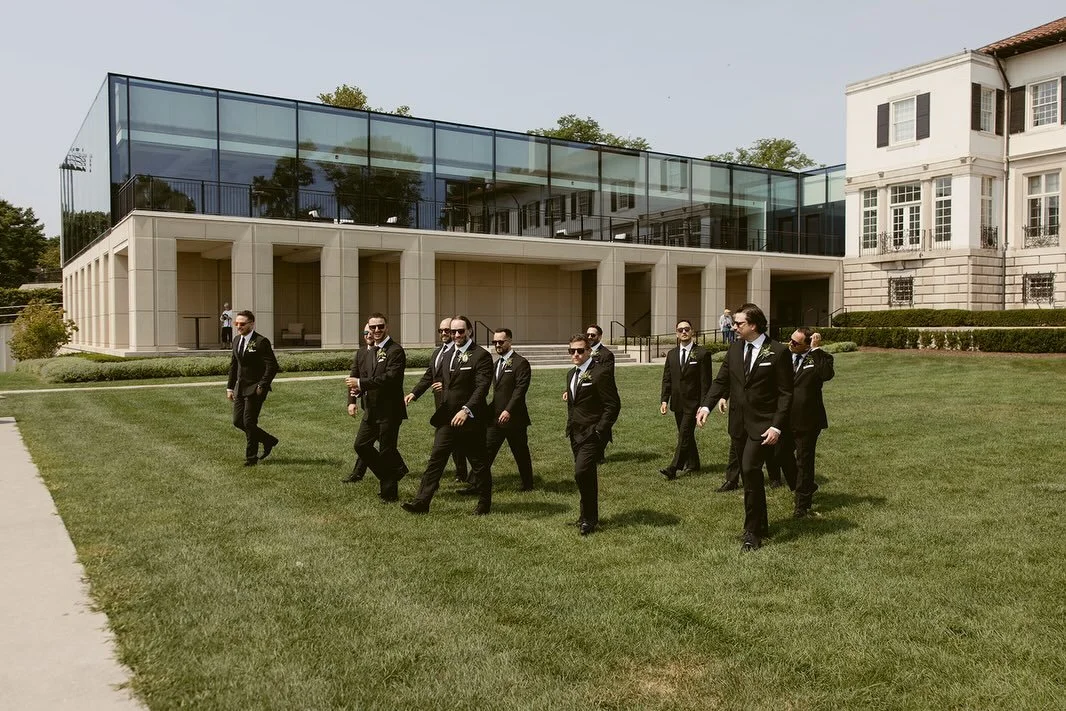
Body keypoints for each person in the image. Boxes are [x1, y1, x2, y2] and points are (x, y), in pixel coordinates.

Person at [697, 303, 792, 551]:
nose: (734, 327)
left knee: (750, 469)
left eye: (739, 323)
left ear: (754, 325)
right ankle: (762, 523)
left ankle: (752, 532)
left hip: (763, 424)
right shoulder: (735, 349)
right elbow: (721, 381)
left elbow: (785, 394)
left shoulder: (778, 352)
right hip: (738, 424)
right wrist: (706, 406)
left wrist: (777, 426)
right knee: (750, 475)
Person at [402, 316, 493, 515]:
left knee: (479, 463)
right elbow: (434, 376)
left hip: (470, 420)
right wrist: (415, 393)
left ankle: (484, 504)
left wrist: (466, 410)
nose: (456, 335)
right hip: (446, 419)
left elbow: (481, 388)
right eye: (453, 332)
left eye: (461, 331)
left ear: (469, 331)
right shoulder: (447, 353)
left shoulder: (481, 356)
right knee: (435, 459)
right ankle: (421, 502)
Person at [345, 313, 409, 502]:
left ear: (386, 327)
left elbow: (390, 379)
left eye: (380, 326)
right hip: (371, 410)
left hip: (390, 410)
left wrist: (361, 383)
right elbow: (360, 378)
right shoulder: (368, 351)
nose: (376, 331)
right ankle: (394, 473)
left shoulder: (395, 350)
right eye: (373, 328)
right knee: (361, 445)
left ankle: (390, 494)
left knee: (387, 451)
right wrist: (356, 393)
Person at [565, 334, 621, 536]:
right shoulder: (571, 374)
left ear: (589, 351)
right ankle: (586, 516)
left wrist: (599, 430)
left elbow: (613, 405)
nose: (576, 354)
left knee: (581, 472)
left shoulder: (600, 373)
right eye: (572, 351)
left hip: (592, 434)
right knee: (585, 476)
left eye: (580, 350)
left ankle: (589, 518)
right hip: (575, 433)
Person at [779, 327, 835, 518]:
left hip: (808, 419)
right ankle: (806, 486)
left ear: (807, 344)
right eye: (790, 340)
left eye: (795, 342)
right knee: (780, 453)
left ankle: (802, 504)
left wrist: (816, 350)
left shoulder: (821, 358)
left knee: (804, 460)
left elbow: (826, 374)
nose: (790, 344)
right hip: (785, 417)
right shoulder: (784, 356)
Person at [405, 317, 469, 483]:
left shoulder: (458, 352)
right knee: (453, 440)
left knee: (455, 440)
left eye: (447, 330)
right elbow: (429, 376)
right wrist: (414, 393)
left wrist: (446, 385)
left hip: (456, 404)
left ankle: (461, 474)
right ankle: (461, 474)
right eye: (440, 331)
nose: (444, 334)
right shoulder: (438, 352)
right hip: (440, 404)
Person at [659, 319, 713, 480]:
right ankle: (694, 464)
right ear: (676, 333)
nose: (684, 332)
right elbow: (667, 378)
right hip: (677, 402)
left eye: (686, 329)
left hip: (694, 404)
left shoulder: (702, 353)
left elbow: (706, 383)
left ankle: (674, 467)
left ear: (692, 331)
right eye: (680, 330)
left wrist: (703, 405)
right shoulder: (672, 354)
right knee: (686, 434)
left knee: (684, 434)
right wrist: (664, 400)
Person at [483, 328, 534, 491]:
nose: (497, 345)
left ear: (509, 341)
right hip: (495, 418)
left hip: (515, 418)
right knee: (486, 451)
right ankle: (477, 484)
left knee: (520, 453)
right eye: (494, 342)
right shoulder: (496, 364)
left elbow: (520, 390)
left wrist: (508, 410)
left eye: (500, 342)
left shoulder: (521, 363)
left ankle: (528, 484)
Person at [226, 310, 279, 466]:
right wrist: (230, 387)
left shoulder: (261, 341)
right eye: (237, 324)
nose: (239, 327)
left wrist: (262, 385)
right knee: (237, 421)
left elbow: (272, 366)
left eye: (242, 324)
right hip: (240, 388)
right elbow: (234, 366)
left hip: (256, 388)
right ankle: (268, 440)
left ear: (251, 324)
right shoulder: (236, 340)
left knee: (249, 422)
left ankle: (251, 458)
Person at [342, 325, 374, 483]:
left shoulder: (385, 352)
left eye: (371, 331)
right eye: (365, 332)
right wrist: (351, 402)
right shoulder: (361, 352)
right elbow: (353, 377)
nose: (368, 334)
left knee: (369, 443)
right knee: (365, 443)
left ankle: (358, 473)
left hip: (385, 408)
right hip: (368, 406)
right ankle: (358, 473)